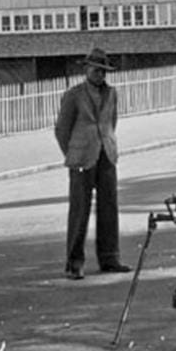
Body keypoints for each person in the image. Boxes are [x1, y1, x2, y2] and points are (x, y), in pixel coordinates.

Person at [54, 47, 130, 280]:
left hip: (106, 155)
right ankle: (74, 263)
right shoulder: (74, 94)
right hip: (81, 158)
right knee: (80, 210)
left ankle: (110, 258)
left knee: (109, 207)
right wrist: (74, 151)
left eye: (104, 71)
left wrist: (105, 143)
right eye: (97, 70)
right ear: (86, 69)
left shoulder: (112, 93)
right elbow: (61, 130)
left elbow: (111, 123)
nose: (100, 75)